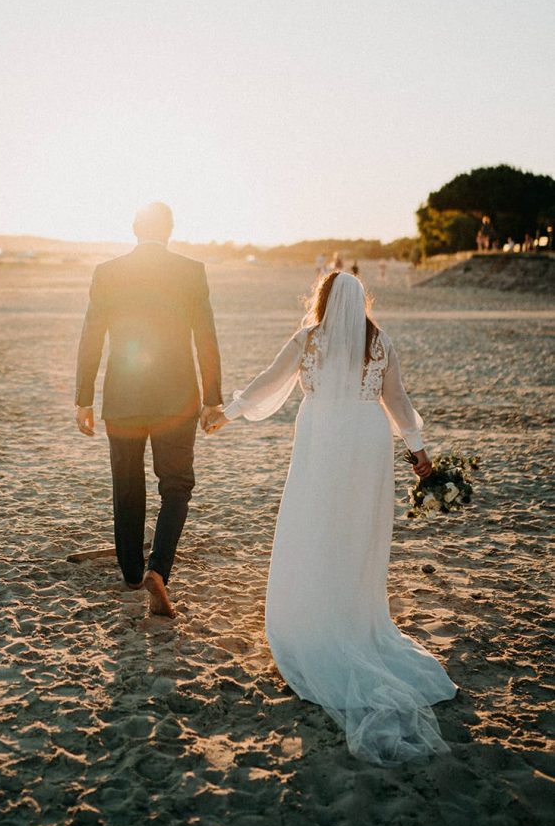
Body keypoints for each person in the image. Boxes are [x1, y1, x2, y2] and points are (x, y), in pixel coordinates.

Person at [205, 271, 456, 765]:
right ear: (361, 302)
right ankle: (354, 618)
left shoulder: (308, 339)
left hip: (322, 440)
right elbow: (398, 400)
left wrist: (227, 413)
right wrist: (418, 450)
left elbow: (267, 384)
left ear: (322, 300)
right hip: (367, 442)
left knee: (314, 526)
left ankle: (314, 619)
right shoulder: (379, 342)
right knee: (356, 534)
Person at [74, 203, 222, 618]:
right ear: (170, 231)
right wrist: (213, 397)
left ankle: (133, 572)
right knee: (176, 485)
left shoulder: (108, 272)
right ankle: (160, 567)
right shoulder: (191, 271)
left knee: (126, 481)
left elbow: (92, 338)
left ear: (135, 228)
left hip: (123, 398)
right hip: (177, 400)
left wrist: (83, 398)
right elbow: (205, 339)